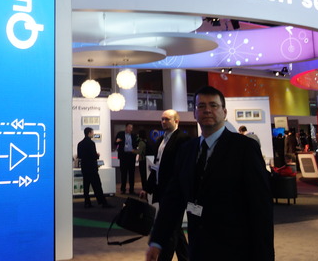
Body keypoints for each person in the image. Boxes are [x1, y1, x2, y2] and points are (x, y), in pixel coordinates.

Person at [146, 86, 274, 261]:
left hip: (235, 249)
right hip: (198, 248)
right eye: (201, 106)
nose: (207, 110)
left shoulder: (244, 148)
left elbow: (261, 207)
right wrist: (157, 241)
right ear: (194, 113)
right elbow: (173, 199)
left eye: (213, 105)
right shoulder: (187, 150)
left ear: (224, 112)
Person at [141, 110, 189, 261]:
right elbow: (157, 166)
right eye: (162, 119)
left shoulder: (182, 139)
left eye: (167, 119)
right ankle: (186, 257)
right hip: (162, 189)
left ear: (176, 121)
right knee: (174, 226)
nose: (163, 122)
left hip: (175, 192)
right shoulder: (161, 140)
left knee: (171, 227)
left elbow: (182, 167)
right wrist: (147, 188)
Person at [77, 127, 110, 208]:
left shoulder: (80, 144)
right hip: (92, 167)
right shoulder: (91, 143)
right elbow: (93, 156)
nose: (93, 134)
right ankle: (102, 202)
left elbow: (79, 156)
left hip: (84, 167)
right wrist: (97, 155)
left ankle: (87, 202)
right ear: (89, 133)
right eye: (92, 132)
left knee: (86, 185)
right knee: (97, 185)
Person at [115, 123, 137, 195]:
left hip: (131, 156)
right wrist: (117, 141)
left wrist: (135, 150)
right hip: (123, 156)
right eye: (129, 127)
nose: (131, 129)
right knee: (123, 173)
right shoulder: (120, 134)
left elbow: (136, 144)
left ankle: (131, 189)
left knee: (131, 173)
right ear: (126, 127)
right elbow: (115, 143)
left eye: (132, 128)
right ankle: (123, 189)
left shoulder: (133, 135)